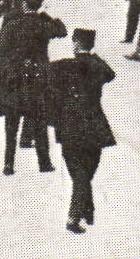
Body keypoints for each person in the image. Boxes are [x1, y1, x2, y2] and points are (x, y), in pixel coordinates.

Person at [0, 0, 65, 176]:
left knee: (11, 125)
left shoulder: (12, 24)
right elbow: (62, 29)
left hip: (15, 80)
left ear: (24, 1)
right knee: (39, 122)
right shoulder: (43, 25)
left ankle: (9, 163)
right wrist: (43, 14)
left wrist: (4, 80)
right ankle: (44, 163)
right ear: (40, 2)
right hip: (37, 80)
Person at [49, 29, 117, 234]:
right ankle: (87, 210)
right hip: (94, 127)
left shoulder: (65, 66)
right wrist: (91, 54)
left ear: (76, 44)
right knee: (86, 171)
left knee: (78, 174)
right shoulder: (97, 67)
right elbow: (110, 73)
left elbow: (45, 75)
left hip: (70, 126)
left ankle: (74, 216)